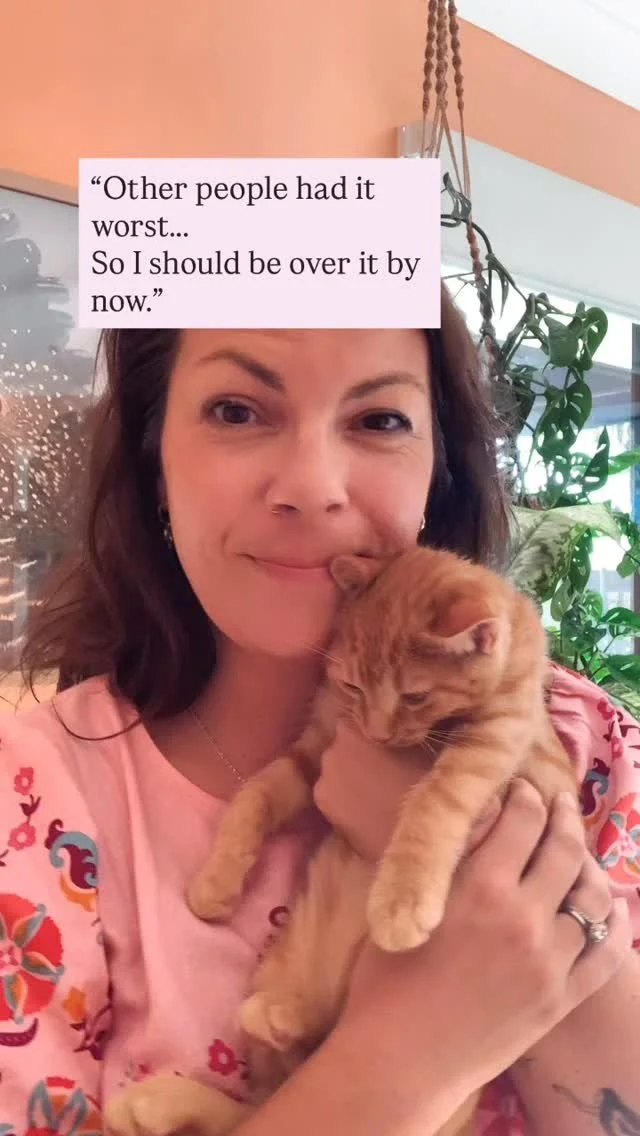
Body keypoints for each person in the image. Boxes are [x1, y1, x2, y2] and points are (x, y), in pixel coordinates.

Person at [1, 289, 639, 1136]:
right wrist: (407, 1051)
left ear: (438, 469)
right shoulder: (31, 800)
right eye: (237, 410)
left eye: (379, 420)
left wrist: (466, 865)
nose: (312, 488)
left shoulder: (595, 747)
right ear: (156, 461)